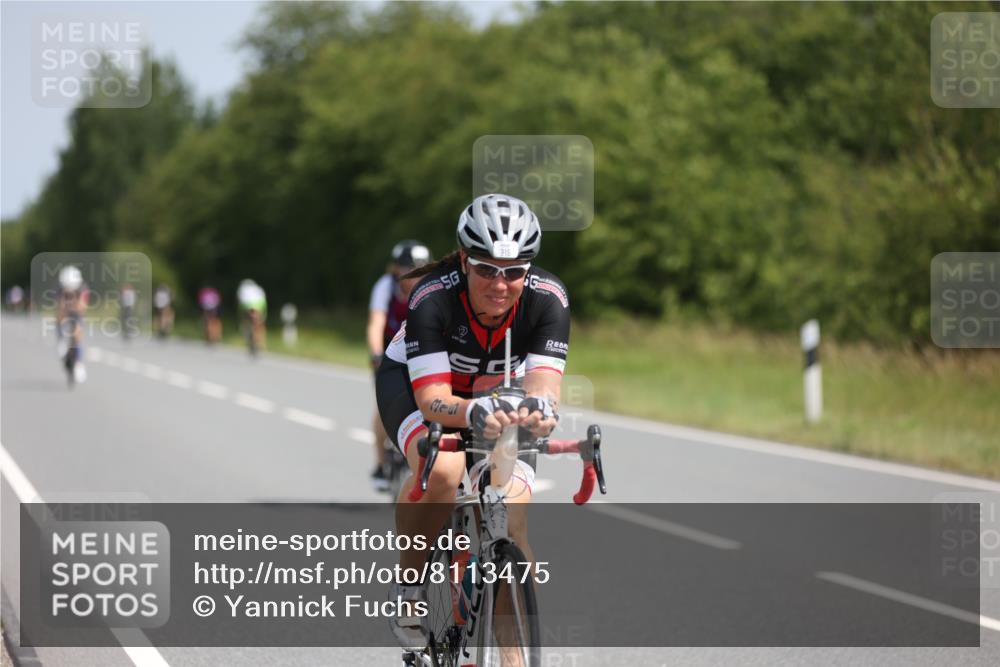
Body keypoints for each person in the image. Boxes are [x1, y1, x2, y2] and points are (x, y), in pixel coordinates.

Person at [375, 194, 568, 650]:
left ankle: (515, 660)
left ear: (529, 269)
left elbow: (543, 385)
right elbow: (434, 400)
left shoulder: (548, 299)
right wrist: (472, 411)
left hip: (496, 395)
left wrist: (541, 412)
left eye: (514, 271)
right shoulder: (432, 296)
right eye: (485, 269)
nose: (500, 284)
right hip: (417, 387)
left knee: (513, 516)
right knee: (442, 471)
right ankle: (409, 588)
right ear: (464, 260)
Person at [367, 240, 432, 491]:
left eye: (419, 269)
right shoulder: (385, 287)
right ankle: (381, 465)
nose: (412, 274)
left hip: (424, 350)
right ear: (395, 269)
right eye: (406, 268)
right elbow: (376, 322)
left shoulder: (433, 287)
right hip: (390, 351)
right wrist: (376, 354)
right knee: (383, 407)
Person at [56, 265, 89, 384]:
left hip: (77, 312)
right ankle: (61, 342)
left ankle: (79, 363)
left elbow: (82, 308)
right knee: (60, 319)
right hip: (65, 310)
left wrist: (75, 305)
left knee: (78, 332)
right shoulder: (60, 289)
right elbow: (60, 308)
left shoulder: (83, 288)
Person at [237, 279, 267, 355]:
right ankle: (261, 341)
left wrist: (241, 315)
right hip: (259, 305)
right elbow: (264, 301)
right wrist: (264, 314)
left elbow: (240, 303)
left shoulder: (242, 289)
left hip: (247, 305)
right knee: (260, 322)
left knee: (246, 320)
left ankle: (246, 333)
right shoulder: (259, 289)